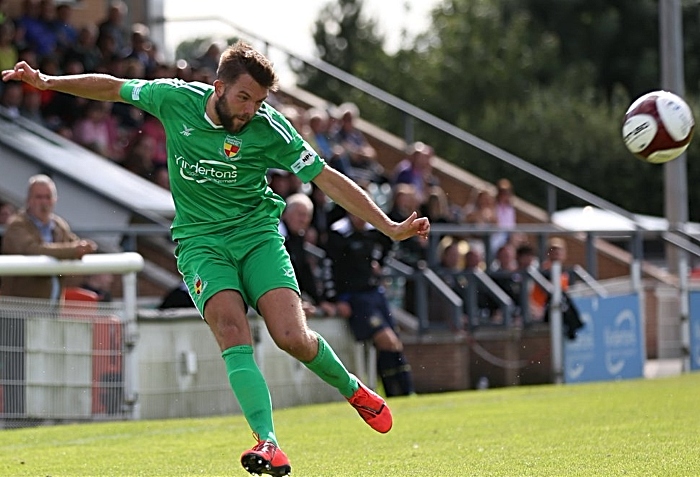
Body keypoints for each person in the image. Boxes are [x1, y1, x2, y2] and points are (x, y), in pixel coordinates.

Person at [2, 41, 430, 476]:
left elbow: (327, 179)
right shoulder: (174, 98)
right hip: (200, 243)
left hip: (257, 237)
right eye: (244, 98)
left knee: (291, 337)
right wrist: (48, 81)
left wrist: (389, 226)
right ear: (219, 87)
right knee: (231, 330)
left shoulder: (270, 128)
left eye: (260, 101)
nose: (250, 110)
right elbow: (113, 88)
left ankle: (353, 389)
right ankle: (269, 442)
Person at [322, 212, 416, 398]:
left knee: (394, 342)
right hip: (355, 298)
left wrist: (380, 263)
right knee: (386, 340)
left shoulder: (374, 231)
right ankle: (402, 391)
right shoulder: (338, 233)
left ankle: (400, 392)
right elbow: (328, 268)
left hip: (374, 293)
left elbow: (390, 243)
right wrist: (335, 298)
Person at [1, 174, 98, 300]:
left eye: (48, 197)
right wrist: (73, 250)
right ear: (28, 200)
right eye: (39, 197)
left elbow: (74, 244)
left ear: (55, 200)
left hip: (52, 308)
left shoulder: (59, 225)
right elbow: (33, 250)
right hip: (20, 310)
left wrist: (87, 247)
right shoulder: (16, 225)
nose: (44, 202)